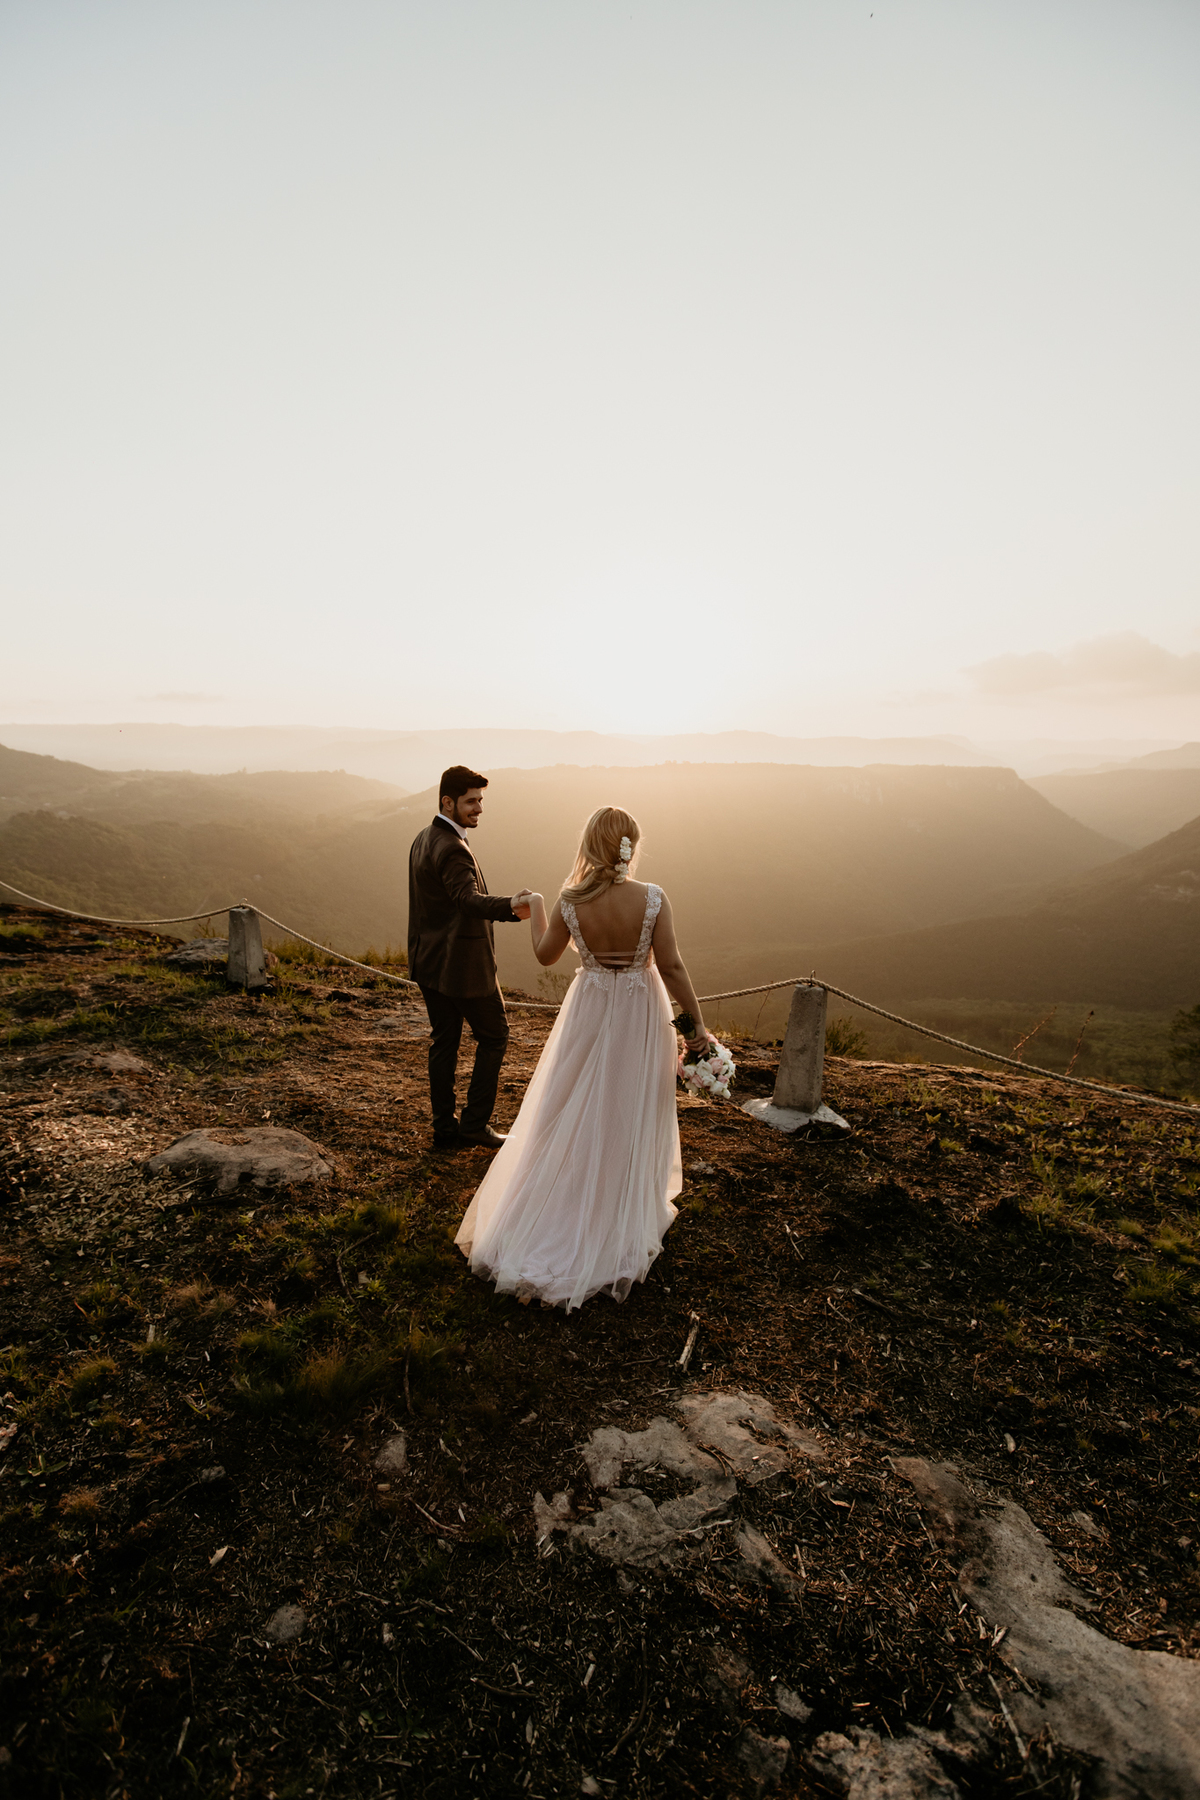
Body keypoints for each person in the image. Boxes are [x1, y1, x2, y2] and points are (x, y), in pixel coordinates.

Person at [454, 806, 709, 1309]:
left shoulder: (571, 900)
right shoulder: (654, 898)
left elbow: (545, 956)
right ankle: (617, 1204)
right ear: (629, 846)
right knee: (630, 1104)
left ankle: (561, 1199)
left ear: (590, 845)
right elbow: (673, 965)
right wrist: (695, 1021)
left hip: (589, 1007)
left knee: (570, 1101)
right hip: (640, 1009)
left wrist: (538, 909)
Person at [407, 766, 533, 1151]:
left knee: (444, 1043)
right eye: (471, 801)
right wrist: (513, 905)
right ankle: (475, 1125)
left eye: (480, 800)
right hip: (462, 968)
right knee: (495, 1037)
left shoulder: (423, 838)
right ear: (448, 801)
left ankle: (445, 1131)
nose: (479, 808)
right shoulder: (452, 848)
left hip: (428, 963)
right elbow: (468, 901)